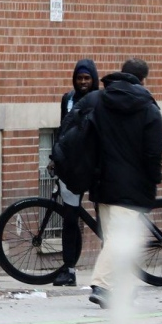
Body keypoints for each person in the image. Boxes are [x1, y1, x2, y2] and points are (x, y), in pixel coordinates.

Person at [77, 58, 162, 308]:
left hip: (103, 181)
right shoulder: (148, 108)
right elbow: (154, 150)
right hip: (132, 184)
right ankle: (102, 285)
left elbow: (87, 138)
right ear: (143, 79)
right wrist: (153, 177)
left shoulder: (100, 102)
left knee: (115, 237)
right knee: (120, 239)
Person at [51, 59, 99, 286]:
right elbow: (62, 130)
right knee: (70, 218)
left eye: (87, 78)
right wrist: (55, 158)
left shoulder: (101, 100)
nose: (83, 82)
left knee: (105, 216)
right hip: (72, 166)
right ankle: (68, 268)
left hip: (96, 167)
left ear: (94, 80)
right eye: (80, 78)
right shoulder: (67, 99)